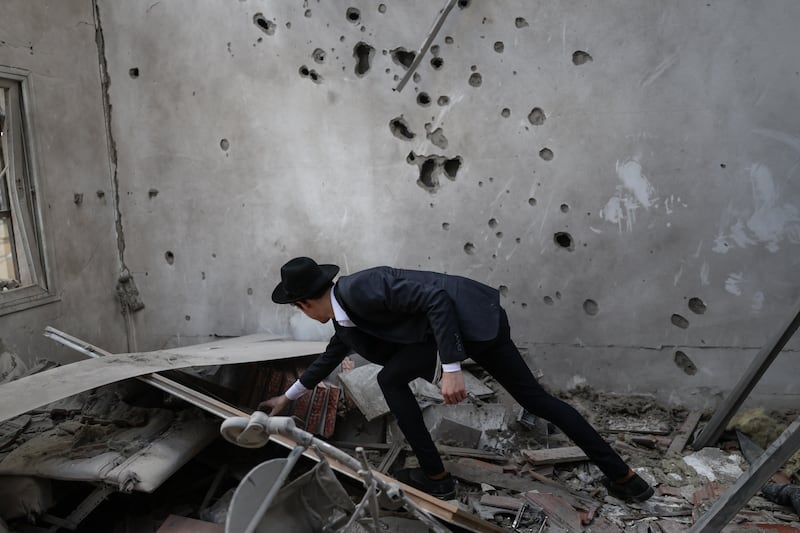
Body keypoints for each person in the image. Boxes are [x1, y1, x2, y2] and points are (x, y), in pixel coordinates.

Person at [261, 257, 654, 502]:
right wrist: (288, 398)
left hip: (475, 324)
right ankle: (437, 477)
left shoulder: (363, 287)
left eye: (298, 310)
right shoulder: (345, 317)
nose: (302, 315)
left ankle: (623, 477)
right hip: (443, 333)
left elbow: (436, 299)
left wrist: (451, 369)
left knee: (535, 401)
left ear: (304, 303)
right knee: (391, 381)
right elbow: (332, 353)